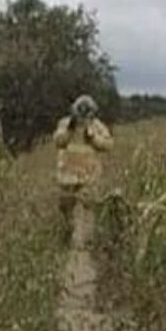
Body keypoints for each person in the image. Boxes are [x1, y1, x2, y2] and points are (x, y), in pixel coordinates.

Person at [54, 94, 113, 248]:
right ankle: (70, 233)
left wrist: (93, 138)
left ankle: (85, 240)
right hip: (68, 175)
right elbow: (58, 141)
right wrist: (69, 130)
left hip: (89, 175)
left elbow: (108, 145)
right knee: (66, 205)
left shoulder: (97, 126)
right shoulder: (66, 123)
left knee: (88, 207)